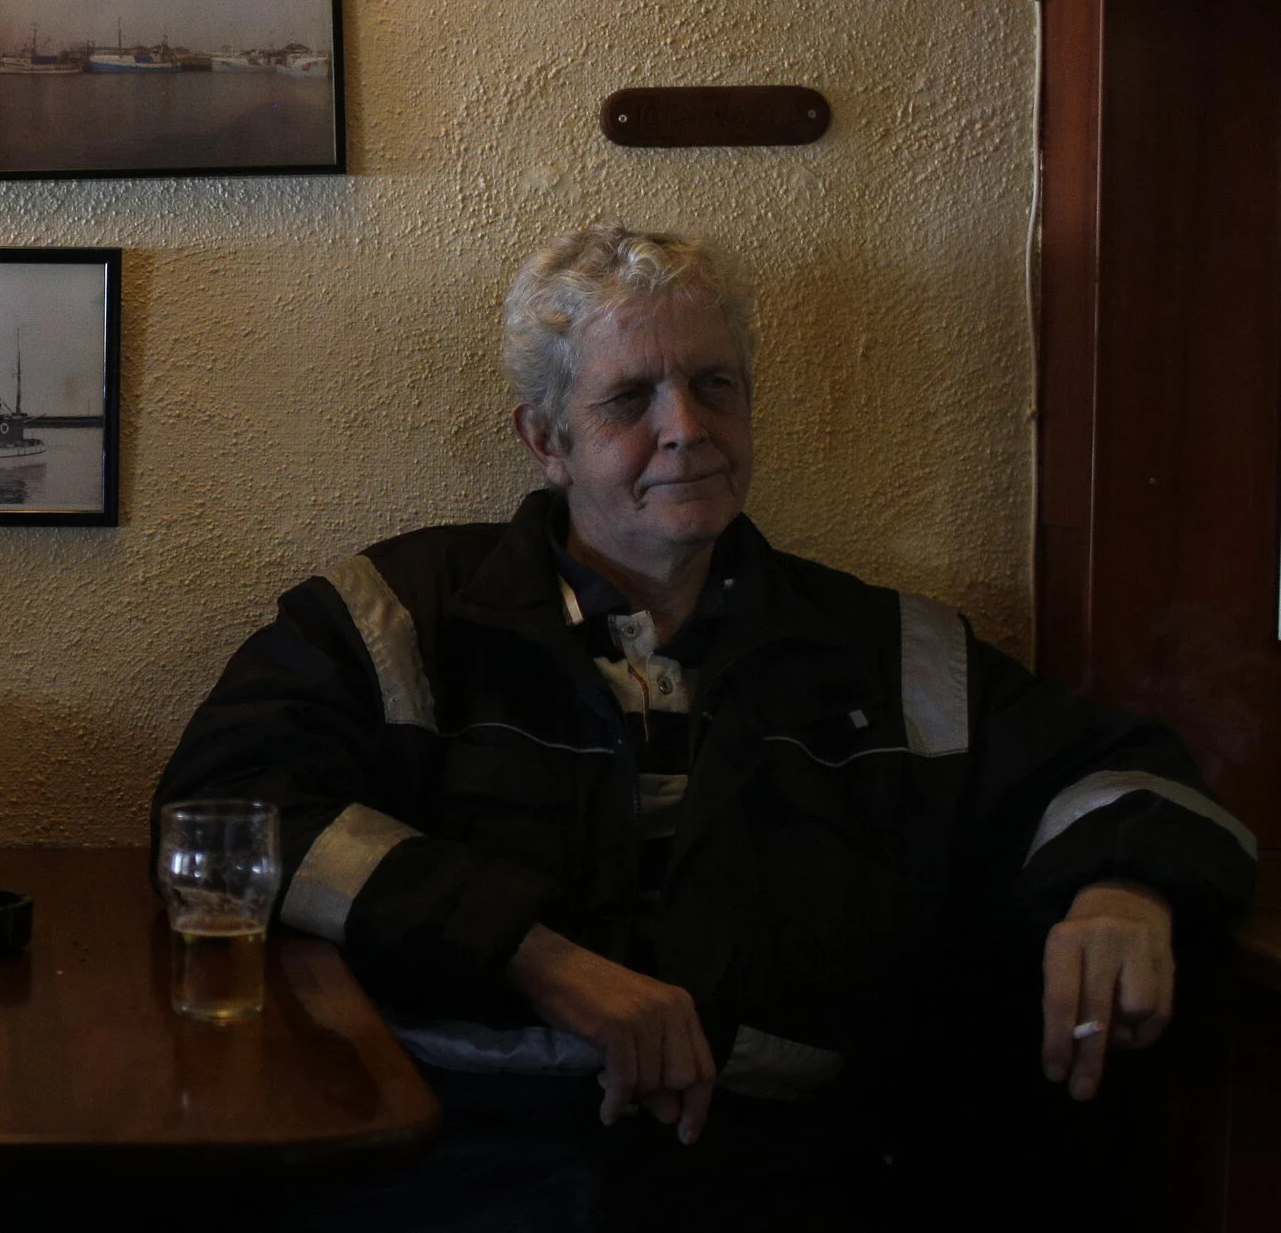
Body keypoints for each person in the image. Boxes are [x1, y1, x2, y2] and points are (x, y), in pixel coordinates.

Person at [156, 225, 1258, 1232]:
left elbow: (1130, 771)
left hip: (783, 1170)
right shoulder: (391, 616)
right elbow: (222, 810)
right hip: (450, 1156)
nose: (686, 427)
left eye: (714, 385)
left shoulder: (890, 648)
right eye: (629, 398)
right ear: (546, 439)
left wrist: (1121, 888)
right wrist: (538, 958)